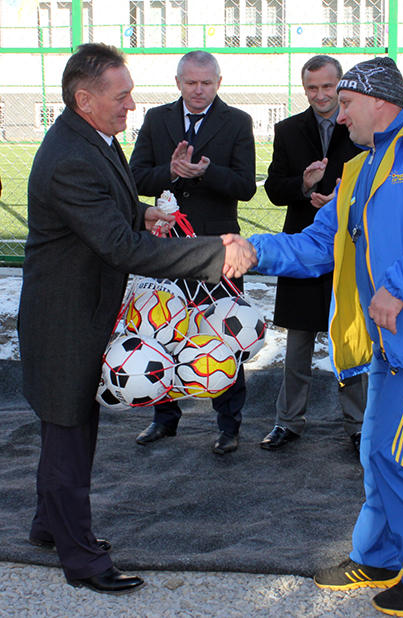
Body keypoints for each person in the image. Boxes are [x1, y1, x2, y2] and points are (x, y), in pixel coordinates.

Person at [237, 57, 403, 616]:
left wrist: (397, 288)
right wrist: (254, 249)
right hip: (388, 341)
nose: (339, 113)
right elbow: (316, 245)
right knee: (379, 452)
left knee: (396, 452)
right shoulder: (357, 169)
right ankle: (376, 556)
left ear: (380, 102)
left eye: (347, 102)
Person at [18, 43, 255, 595]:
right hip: (64, 320)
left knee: (70, 428)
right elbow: (120, 248)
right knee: (68, 434)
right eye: (121, 96)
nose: (131, 104)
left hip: (83, 310)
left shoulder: (90, 138)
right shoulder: (71, 155)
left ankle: (49, 527)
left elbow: (110, 210)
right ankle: (82, 560)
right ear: (85, 100)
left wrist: (143, 211)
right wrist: (216, 253)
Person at [129, 50, 256, 455]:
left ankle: (229, 425)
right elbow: (134, 178)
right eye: (191, 82)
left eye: (206, 83)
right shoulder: (156, 119)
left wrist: (206, 172)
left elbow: (246, 187)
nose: (198, 90)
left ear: (219, 82)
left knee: (225, 334)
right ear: (178, 82)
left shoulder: (237, 121)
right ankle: (164, 418)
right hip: (165, 249)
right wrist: (170, 172)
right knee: (160, 331)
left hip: (218, 251)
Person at [260, 55, 366, 454]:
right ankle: (288, 422)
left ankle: (359, 425)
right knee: (298, 340)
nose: (320, 95)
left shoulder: (359, 126)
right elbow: (274, 188)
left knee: (350, 338)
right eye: (312, 88)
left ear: (341, 85)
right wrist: (304, 188)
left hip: (349, 245)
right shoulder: (288, 129)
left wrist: (340, 202)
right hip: (302, 247)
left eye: (327, 87)